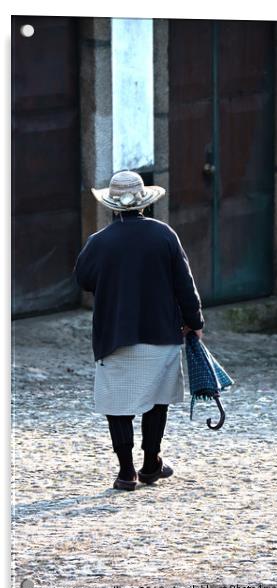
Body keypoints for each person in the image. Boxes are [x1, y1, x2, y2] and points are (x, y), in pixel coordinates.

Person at [73, 170, 205, 491]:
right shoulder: (164, 235)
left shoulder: (99, 242)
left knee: (117, 403)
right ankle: (151, 464)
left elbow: (83, 279)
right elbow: (184, 285)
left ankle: (126, 471)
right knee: (156, 400)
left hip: (115, 335)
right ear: (144, 203)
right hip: (161, 331)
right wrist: (195, 322)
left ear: (112, 207)